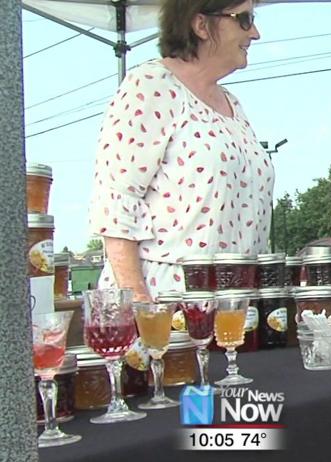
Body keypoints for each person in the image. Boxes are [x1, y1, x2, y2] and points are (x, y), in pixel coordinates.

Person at [88, 0, 272, 302]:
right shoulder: (151, 85)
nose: (255, 33)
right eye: (244, 19)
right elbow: (115, 205)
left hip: (232, 303)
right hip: (166, 302)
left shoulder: (232, 104)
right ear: (201, 25)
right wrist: (140, 305)